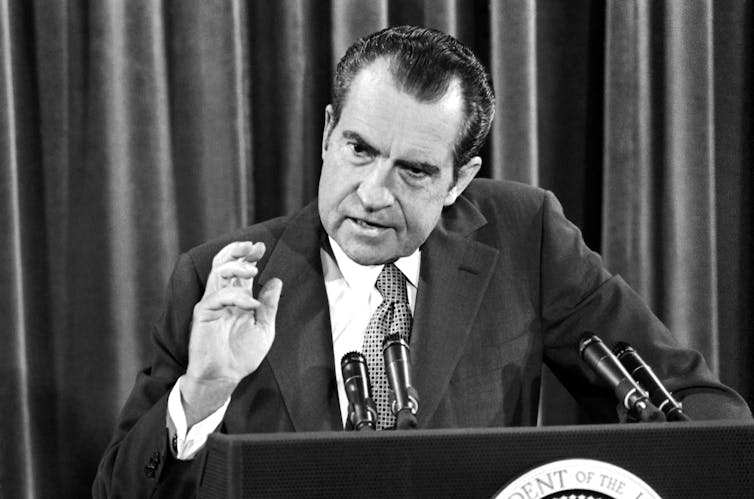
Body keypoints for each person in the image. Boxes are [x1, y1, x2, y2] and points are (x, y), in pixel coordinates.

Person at [93, 26, 751, 498]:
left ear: (460, 179)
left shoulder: (525, 236)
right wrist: (204, 389)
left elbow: (699, 405)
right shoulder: (222, 278)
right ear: (327, 133)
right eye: (358, 149)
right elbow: (120, 489)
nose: (374, 193)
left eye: (412, 170)